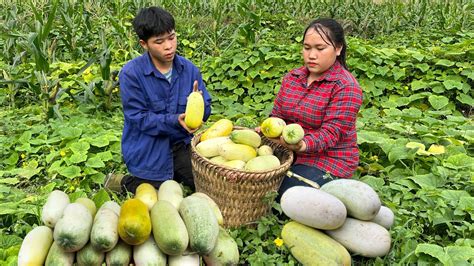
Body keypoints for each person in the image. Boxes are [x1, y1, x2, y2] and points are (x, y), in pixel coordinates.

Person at [105, 7, 212, 194]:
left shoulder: (189, 70)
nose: (169, 46)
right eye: (159, 42)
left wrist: (201, 106)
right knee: (155, 191)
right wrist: (174, 120)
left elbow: (207, 107)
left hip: (180, 145)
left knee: (208, 186)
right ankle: (121, 182)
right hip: (148, 148)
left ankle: (175, 174)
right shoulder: (132, 74)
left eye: (172, 37)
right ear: (144, 44)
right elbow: (138, 118)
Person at [268, 18, 363, 196]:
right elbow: (277, 115)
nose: (311, 55)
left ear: (338, 48)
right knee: (253, 178)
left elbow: (331, 133)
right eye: (307, 48)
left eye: (320, 48)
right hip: (287, 152)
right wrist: (269, 128)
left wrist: (302, 145)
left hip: (328, 159)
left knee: (286, 193)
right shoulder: (292, 78)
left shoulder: (345, 86)